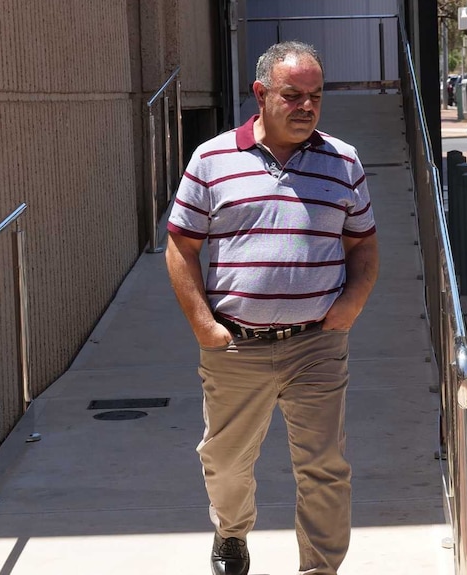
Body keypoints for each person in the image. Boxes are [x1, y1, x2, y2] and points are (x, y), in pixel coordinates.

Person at [165, 41, 379, 575]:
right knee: (227, 463)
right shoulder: (212, 159)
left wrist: (350, 306)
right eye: (292, 95)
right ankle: (231, 532)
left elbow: (364, 244)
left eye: (315, 96)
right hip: (235, 346)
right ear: (261, 94)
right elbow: (181, 247)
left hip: (317, 344)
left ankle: (320, 568)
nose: (306, 106)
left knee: (325, 468)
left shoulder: (343, 161)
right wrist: (204, 326)